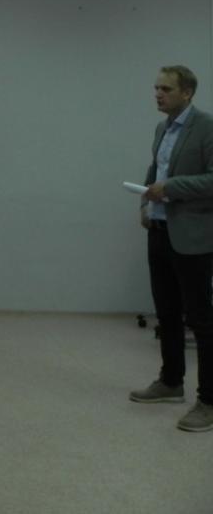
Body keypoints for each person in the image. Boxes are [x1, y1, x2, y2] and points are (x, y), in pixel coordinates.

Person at [132, 65, 213, 432]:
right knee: (166, 313)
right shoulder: (161, 128)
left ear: (187, 93)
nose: (158, 94)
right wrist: (145, 205)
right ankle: (170, 382)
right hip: (160, 230)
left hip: (193, 236)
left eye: (165, 89)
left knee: (201, 319)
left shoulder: (206, 127)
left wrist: (172, 188)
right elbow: (155, 172)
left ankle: (209, 400)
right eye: (156, 88)